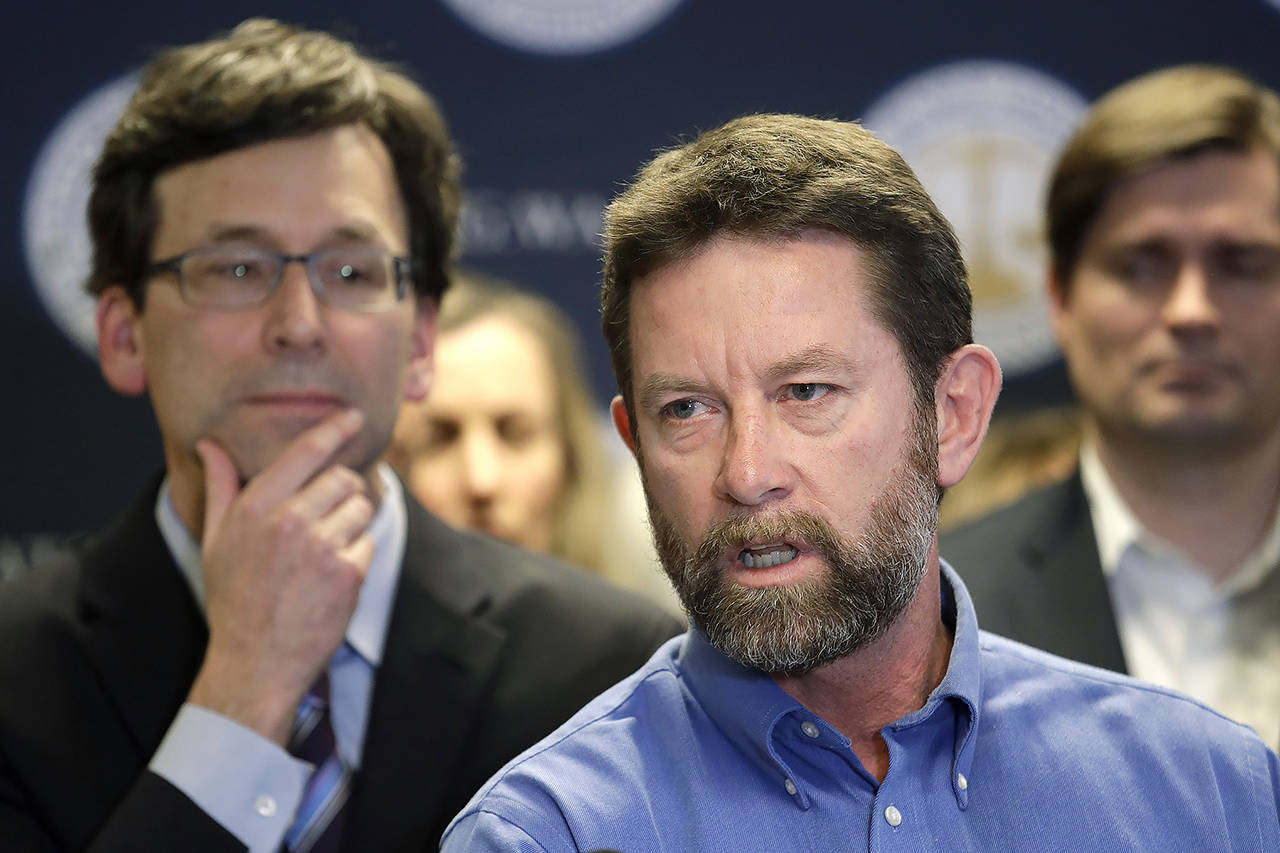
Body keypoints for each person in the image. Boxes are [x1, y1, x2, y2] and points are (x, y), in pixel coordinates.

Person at [440, 113, 1280, 852]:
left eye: (808, 393)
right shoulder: (548, 835)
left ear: (953, 414)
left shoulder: (1210, 794)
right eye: (689, 409)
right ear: (633, 443)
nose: (748, 473)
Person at [0, 19, 681, 853]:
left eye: (352, 271)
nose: (298, 324)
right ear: (123, 331)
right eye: (236, 267)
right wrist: (245, 694)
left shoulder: (611, 668)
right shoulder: (13, 670)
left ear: (422, 339)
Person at [941, 64, 1280, 748]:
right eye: (1141, 265)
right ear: (1061, 299)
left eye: (1242, 263)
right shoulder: (940, 610)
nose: (1191, 311)